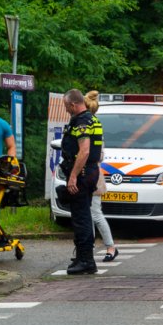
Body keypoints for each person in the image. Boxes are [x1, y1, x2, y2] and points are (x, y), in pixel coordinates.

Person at [60, 88, 103, 275]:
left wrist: (73, 176)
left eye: (66, 106)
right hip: (90, 171)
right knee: (82, 214)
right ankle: (83, 257)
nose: (66, 110)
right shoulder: (91, 119)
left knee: (81, 217)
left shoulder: (82, 121)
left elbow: (84, 151)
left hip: (83, 173)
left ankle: (86, 260)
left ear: (72, 104)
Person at [84, 90, 119, 262]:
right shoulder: (91, 125)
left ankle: (110, 246)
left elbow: (96, 154)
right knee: (88, 214)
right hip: (89, 173)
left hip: (93, 174)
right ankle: (88, 248)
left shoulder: (92, 127)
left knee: (95, 213)